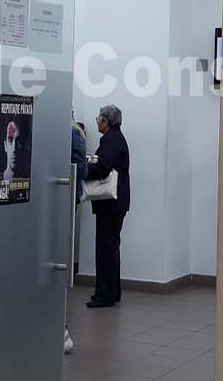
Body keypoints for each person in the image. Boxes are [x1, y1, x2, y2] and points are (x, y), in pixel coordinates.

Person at [84, 105, 130, 308]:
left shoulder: (111, 140)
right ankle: (112, 292)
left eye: (98, 118)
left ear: (106, 122)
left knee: (105, 250)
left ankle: (105, 295)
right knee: (110, 248)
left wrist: (83, 168)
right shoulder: (115, 138)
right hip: (115, 204)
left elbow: (103, 167)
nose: (96, 121)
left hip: (111, 205)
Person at [64, 114, 88, 354]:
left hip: (66, 198)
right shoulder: (73, 133)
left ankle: (61, 330)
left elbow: (80, 169)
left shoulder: (71, 134)